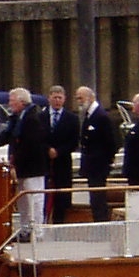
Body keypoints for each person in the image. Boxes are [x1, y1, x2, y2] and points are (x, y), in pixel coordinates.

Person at [4, 87, 52, 235]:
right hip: (22, 166)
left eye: (12, 101)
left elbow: (31, 143)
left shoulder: (33, 118)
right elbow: (8, 135)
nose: (10, 103)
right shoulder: (16, 118)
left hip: (33, 166)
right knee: (23, 200)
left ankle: (37, 231)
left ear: (21, 102)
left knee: (35, 199)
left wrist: (15, 158)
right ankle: (25, 229)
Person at [76, 85, 122, 215]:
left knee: (98, 197)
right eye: (77, 99)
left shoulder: (101, 116)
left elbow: (111, 142)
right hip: (92, 165)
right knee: (94, 197)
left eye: (81, 98)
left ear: (90, 98)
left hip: (99, 165)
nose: (79, 102)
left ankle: (101, 221)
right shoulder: (88, 116)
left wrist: (106, 161)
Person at [44, 84, 78, 224]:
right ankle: (43, 221)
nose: (57, 100)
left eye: (60, 97)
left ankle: (60, 223)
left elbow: (74, 141)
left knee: (62, 196)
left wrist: (58, 151)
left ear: (64, 99)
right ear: (49, 98)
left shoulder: (72, 118)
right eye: (55, 97)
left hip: (63, 162)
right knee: (44, 195)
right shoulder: (41, 117)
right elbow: (37, 138)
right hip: (45, 162)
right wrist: (47, 149)